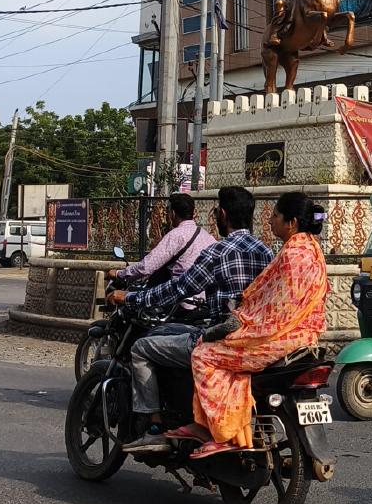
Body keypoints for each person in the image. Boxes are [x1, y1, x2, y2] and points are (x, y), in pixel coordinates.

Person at [110, 187, 272, 454]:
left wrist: (131, 298)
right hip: (255, 340)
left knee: (141, 348)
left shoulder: (218, 251)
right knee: (166, 330)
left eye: (216, 211)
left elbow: (178, 288)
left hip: (221, 338)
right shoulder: (266, 252)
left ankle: (154, 427)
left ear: (222, 214)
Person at [187, 192, 329, 458]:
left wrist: (238, 325)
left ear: (291, 222)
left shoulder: (292, 254)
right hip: (305, 337)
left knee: (203, 354)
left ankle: (222, 433)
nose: (270, 221)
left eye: (275, 216)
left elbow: (272, 308)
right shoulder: (311, 249)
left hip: (279, 338)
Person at [113, 193, 215, 301]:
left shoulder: (176, 235)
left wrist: (120, 274)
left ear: (173, 213)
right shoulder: (208, 237)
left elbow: (147, 266)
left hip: (180, 300)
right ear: (194, 213)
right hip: (205, 300)